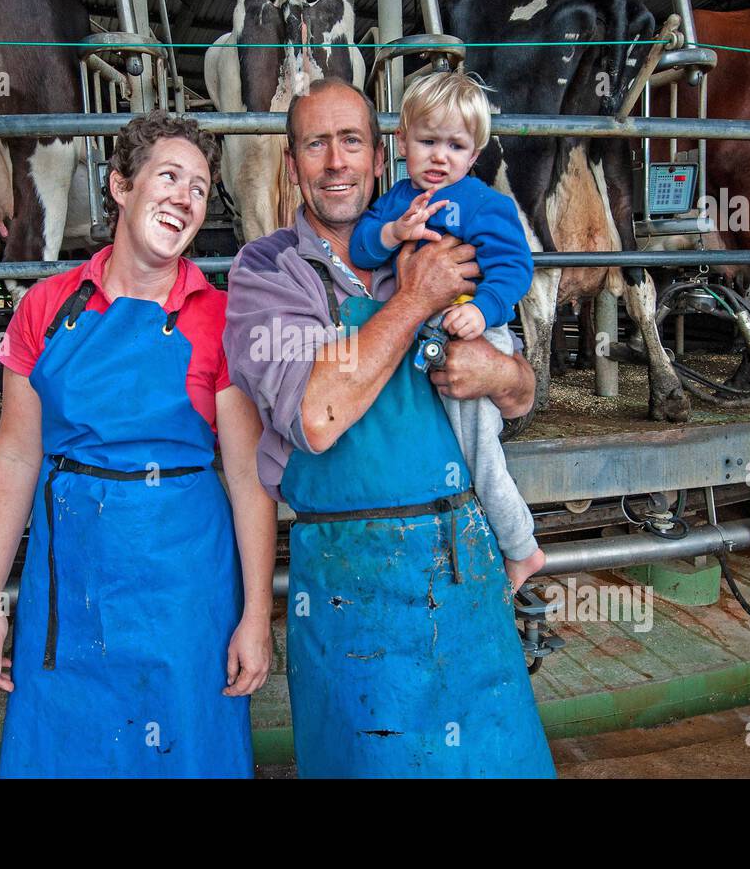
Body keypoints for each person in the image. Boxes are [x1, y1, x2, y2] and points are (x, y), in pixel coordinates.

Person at [224, 77, 556, 778]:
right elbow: (318, 415)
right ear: (292, 164)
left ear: (380, 158)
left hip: (464, 561)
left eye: (352, 142)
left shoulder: (439, 231)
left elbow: (522, 393)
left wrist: (496, 374)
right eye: (316, 144)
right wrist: (415, 299)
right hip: (352, 584)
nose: (336, 161)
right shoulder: (267, 271)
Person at [0, 110, 277, 778]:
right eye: (168, 176)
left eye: (198, 187)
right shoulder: (46, 307)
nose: (184, 198)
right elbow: (17, 456)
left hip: (184, 591)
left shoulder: (217, 317)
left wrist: (256, 613)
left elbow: (248, 476)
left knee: (185, 750)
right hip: (70, 584)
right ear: (119, 187)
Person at [348, 69, 544, 585]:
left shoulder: (486, 204)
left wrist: (484, 309)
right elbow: (361, 246)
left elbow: (513, 267)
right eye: (427, 141)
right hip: (428, 338)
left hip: (474, 334)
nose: (440, 157)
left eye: (455, 146)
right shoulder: (394, 201)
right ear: (402, 141)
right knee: (446, 444)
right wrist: (395, 231)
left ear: (474, 154)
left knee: (479, 450)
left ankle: (521, 546)